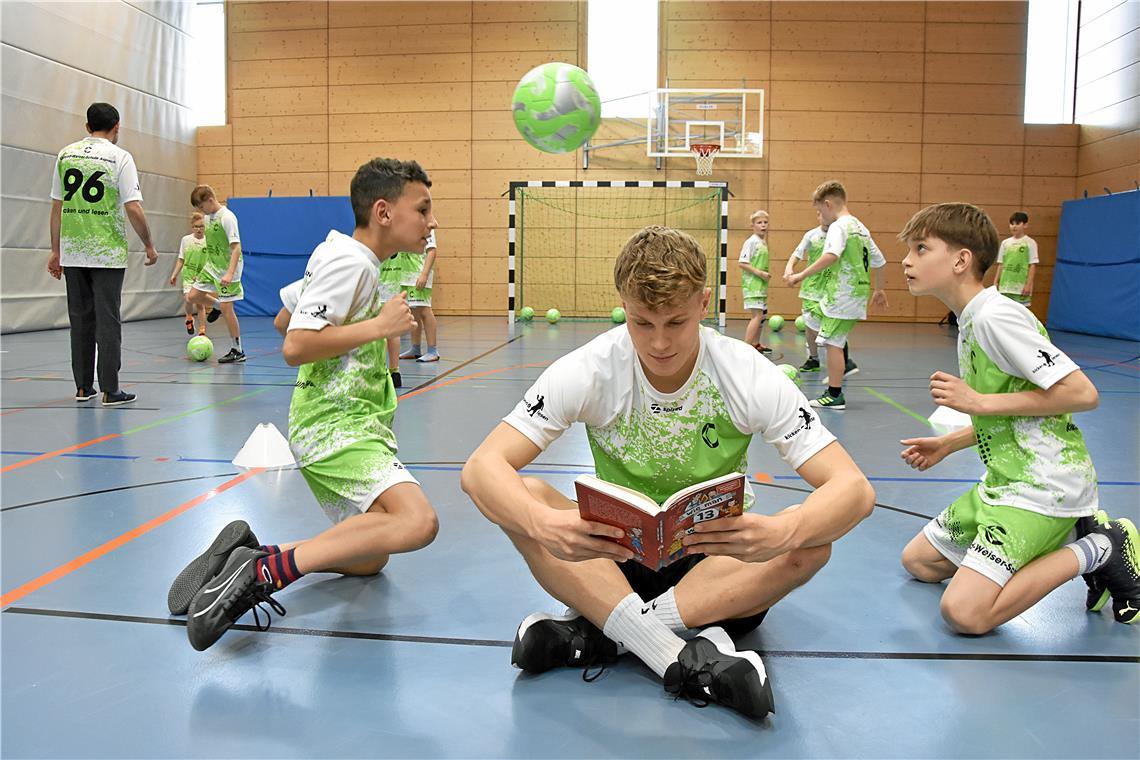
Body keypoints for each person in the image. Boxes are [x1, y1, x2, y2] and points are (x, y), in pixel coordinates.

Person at [461, 225, 875, 719]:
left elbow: (853, 489)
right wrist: (541, 524)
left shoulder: (745, 372)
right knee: (524, 495)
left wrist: (781, 531)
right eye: (642, 323)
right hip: (615, 561)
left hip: (717, 569)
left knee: (811, 539)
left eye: (675, 322)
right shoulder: (592, 367)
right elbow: (481, 467)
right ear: (623, 307)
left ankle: (610, 632)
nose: (658, 343)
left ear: (704, 303)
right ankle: (676, 654)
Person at [169, 159, 440, 650]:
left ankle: (251, 555)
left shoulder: (339, 252)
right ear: (383, 211)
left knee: (369, 556)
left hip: (346, 422)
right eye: (422, 209)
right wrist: (379, 327)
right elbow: (295, 345)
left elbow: (281, 320)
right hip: (336, 425)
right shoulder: (350, 261)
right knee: (418, 522)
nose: (430, 221)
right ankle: (266, 573)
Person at [896, 202, 1139, 631]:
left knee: (964, 613)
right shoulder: (971, 319)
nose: (906, 260)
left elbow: (1082, 393)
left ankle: (1100, 545)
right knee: (919, 561)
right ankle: (1071, 533)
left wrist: (980, 403)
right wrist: (949, 443)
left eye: (920, 248)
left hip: (1043, 486)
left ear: (960, 260)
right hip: (1002, 483)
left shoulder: (997, 317)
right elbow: (1013, 408)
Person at [48, 101, 158, 406]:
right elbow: (133, 206)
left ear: (87, 127)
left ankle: (83, 387)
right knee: (108, 321)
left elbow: (57, 206)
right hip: (106, 252)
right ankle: (111, 389)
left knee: (80, 320)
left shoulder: (65, 154)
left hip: (73, 250)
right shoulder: (119, 157)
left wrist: (56, 250)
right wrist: (148, 243)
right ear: (117, 126)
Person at [786, 181, 887, 409]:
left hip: (842, 294)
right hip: (856, 294)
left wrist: (801, 275)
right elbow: (880, 261)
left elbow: (831, 255)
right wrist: (879, 289)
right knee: (822, 327)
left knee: (832, 342)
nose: (820, 216)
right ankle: (843, 369)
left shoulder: (839, 227)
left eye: (820, 211)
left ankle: (834, 394)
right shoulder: (861, 228)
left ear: (829, 205)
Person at [186, 185, 245, 363]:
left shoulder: (227, 218)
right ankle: (217, 306)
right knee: (193, 296)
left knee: (228, 309)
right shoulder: (207, 217)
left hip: (228, 268)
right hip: (212, 266)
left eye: (201, 206)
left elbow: (236, 248)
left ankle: (238, 350)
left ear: (210, 200)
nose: (200, 211)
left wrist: (229, 273)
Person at [783, 211, 828, 372]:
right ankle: (814, 358)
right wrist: (789, 269)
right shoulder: (812, 235)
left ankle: (843, 360)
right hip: (812, 289)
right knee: (809, 325)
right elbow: (797, 253)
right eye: (821, 213)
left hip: (833, 288)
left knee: (836, 325)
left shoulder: (840, 235)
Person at [398, 230, 440, 363]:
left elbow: (432, 250)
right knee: (413, 311)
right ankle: (415, 348)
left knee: (424, 310)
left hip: (419, 273)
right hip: (405, 274)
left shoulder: (427, 225)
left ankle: (433, 350)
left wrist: (424, 274)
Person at [738, 210, 771, 353]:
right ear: (753, 225)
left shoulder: (762, 242)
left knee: (762, 316)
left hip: (761, 285)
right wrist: (760, 273)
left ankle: (756, 344)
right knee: (757, 316)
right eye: (759, 222)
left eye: (765, 222)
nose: (763, 225)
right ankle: (745, 347)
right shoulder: (751, 242)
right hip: (753, 285)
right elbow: (742, 263)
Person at [170, 212, 208, 335]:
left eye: (201, 226)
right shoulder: (186, 240)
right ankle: (189, 317)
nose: (199, 229)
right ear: (192, 227)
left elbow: (210, 262)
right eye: (196, 226)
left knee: (200, 304)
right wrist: (174, 274)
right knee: (188, 299)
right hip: (188, 276)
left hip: (201, 277)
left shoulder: (208, 242)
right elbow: (181, 259)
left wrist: (202, 275)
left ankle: (202, 330)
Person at [992, 211, 1038, 306]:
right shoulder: (1005, 243)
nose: (1014, 226)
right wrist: (995, 282)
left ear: (1025, 225)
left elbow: (1032, 265)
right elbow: (1001, 264)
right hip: (1005, 287)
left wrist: (1028, 285)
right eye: (1012, 224)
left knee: (1020, 314)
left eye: (1017, 223)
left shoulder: (1030, 243)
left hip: (1020, 288)